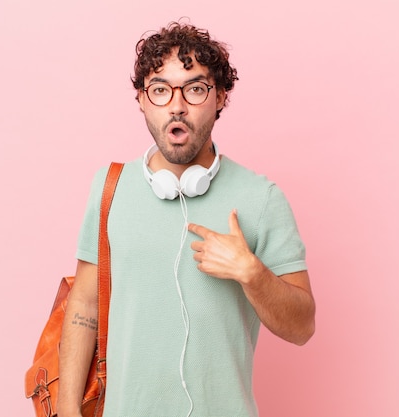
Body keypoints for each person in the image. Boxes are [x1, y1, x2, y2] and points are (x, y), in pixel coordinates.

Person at [58, 21, 315, 417]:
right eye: (160, 90)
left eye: (195, 89)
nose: (176, 106)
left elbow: (302, 328)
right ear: (142, 101)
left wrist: (252, 273)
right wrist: (66, 408)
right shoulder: (110, 188)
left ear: (220, 98)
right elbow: (86, 305)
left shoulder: (262, 199)